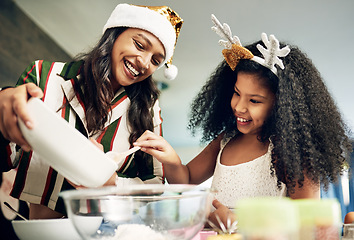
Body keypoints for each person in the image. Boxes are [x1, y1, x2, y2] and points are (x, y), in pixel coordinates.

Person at [134, 14, 352, 229]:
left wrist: (239, 223)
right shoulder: (226, 139)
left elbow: (309, 223)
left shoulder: (292, 154)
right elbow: (186, 179)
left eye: (255, 100)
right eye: (237, 93)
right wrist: (172, 161)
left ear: (283, 106)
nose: (239, 106)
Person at [0, 3, 183, 220]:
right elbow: (8, 155)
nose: (144, 63)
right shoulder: (43, 76)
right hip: (39, 227)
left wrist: (113, 183)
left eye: (156, 61)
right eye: (140, 45)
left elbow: (154, 188)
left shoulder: (148, 110)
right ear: (115, 33)